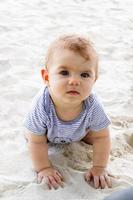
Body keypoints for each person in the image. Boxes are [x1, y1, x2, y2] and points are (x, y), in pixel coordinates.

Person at [24, 34, 112, 190]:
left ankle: (82, 134)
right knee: (32, 137)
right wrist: (44, 168)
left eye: (85, 75)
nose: (74, 81)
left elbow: (102, 137)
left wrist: (99, 167)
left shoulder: (93, 105)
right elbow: (37, 141)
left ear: (94, 80)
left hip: (79, 132)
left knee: (96, 135)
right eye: (64, 73)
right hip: (46, 135)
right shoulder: (42, 105)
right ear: (47, 77)